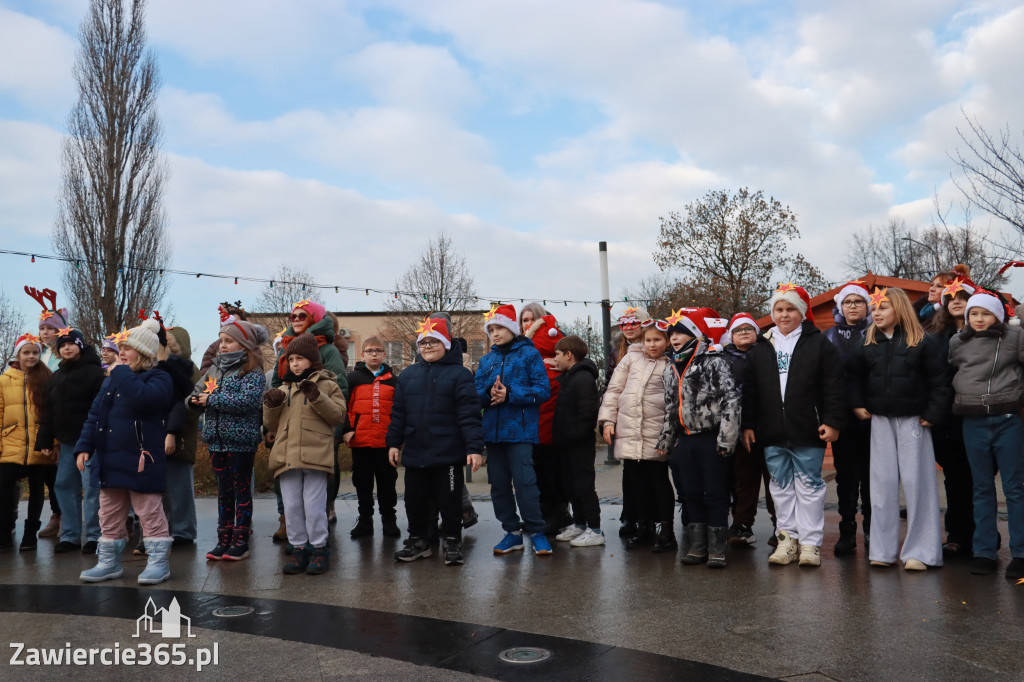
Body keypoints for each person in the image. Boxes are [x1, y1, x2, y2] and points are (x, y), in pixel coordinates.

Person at [741, 283, 845, 568]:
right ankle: (787, 541)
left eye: (790, 309)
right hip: (771, 431)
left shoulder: (819, 343)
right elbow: (750, 391)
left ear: (801, 313)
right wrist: (748, 424)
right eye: (779, 309)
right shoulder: (762, 346)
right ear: (772, 313)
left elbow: (833, 386)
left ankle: (810, 544)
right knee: (780, 487)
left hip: (807, 429)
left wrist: (832, 421)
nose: (784, 315)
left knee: (810, 487)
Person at [850, 287, 949, 571]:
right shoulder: (865, 342)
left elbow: (940, 382)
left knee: (919, 485)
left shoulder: (923, 343)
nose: (876, 313)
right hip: (880, 421)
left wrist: (932, 414)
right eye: (874, 308)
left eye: (883, 308)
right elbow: (853, 378)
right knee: (881, 487)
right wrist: (857, 404)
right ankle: (882, 550)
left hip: (914, 421)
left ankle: (921, 552)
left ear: (899, 309)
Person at [76, 318, 176, 584]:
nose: (121, 352)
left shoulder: (159, 377)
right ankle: (108, 562)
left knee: (149, 511)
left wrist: (121, 373)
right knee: (108, 512)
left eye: (128, 348)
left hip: (142, 460)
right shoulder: (110, 382)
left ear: (143, 353)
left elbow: (145, 399)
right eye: (120, 346)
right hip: (109, 459)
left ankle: (158, 562)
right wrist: (84, 446)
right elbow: (95, 415)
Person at [387, 316, 483, 566]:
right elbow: (398, 414)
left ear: (446, 344)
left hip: (448, 453)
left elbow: (469, 414)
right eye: (424, 342)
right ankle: (418, 541)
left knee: (449, 501)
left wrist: (474, 448)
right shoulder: (408, 375)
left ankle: (452, 540)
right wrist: (394, 443)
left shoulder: (460, 375)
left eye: (434, 341)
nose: (428, 347)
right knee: (414, 500)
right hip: (417, 451)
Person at [948, 290, 1024, 579]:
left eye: (986, 313)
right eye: (974, 314)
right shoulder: (957, 342)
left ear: (998, 315)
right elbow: (956, 371)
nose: (979, 319)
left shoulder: (1015, 338)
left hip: (1007, 419)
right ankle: (984, 551)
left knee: (1015, 488)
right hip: (973, 421)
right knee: (981, 488)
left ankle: (1021, 552)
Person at [657, 310, 741, 567]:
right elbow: (671, 407)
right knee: (691, 493)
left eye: (680, 332)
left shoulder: (713, 361)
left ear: (694, 334)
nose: (674, 338)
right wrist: (667, 441)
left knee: (715, 492)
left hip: (711, 437)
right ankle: (698, 546)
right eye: (671, 334)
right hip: (686, 440)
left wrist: (727, 439)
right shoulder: (671, 367)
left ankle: (717, 548)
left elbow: (731, 400)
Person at [264, 333, 348, 575]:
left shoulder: (328, 385)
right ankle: (299, 548)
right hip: (287, 455)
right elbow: (271, 424)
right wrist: (272, 404)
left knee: (313, 505)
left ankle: (319, 548)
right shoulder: (284, 388)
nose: (295, 364)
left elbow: (337, 416)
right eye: (291, 359)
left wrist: (316, 396)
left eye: (300, 358)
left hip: (316, 456)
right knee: (291, 506)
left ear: (312, 360)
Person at [476, 304, 553, 556]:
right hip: (493, 435)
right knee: (498, 486)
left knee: (525, 484)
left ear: (511, 327)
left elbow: (542, 391)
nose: (495, 333)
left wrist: (510, 394)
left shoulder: (529, 355)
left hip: (520, 432)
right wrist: (489, 395)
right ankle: (512, 532)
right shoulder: (486, 360)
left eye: (499, 328)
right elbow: (475, 396)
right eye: (491, 329)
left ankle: (537, 532)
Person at [189, 319, 268, 562]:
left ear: (244, 345)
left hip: (241, 442)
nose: (222, 345)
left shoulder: (252, 372)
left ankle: (241, 539)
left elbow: (247, 402)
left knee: (241, 490)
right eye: (221, 340)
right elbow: (196, 392)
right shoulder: (214, 370)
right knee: (224, 492)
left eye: (228, 341)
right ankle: (223, 538)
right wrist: (192, 401)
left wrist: (210, 400)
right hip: (216, 441)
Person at [599, 319, 674, 551]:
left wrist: (668, 435)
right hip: (629, 431)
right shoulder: (631, 359)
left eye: (657, 340)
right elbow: (614, 390)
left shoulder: (670, 364)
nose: (652, 344)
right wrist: (608, 421)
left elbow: (673, 399)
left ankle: (666, 530)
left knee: (659, 481)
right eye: (648, 340)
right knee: (636, 483)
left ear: (667, 341)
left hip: (655, 432)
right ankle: (643, 527)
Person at [36, 327, 106, 554]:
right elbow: (49, 411)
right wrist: (45, 439)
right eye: (62, 345)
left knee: (92, 488)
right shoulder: (56, 376)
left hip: (91, 442)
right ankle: (70, 536)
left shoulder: (95, 373)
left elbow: (102, 409)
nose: (66, 347)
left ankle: (95, 536)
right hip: (67, 442)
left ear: (80, 345)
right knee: (63, 485)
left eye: (71, 343)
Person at [927, 267, 976, 556]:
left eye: (963, 296)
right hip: (948, 419)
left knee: (978, 480)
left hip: (979, 414)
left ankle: (983, 537)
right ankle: (956, 535)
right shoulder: (935, 335)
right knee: (955, 479)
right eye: (951, 297)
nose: (956, 301)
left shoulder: (986, 331)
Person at [823, 280, 873, 555]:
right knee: (846, 477)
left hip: (873, 416)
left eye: (858, 301)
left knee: (871, 477)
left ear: (867, 306)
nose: (853, 306)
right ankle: (847, 528)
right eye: (848, 302)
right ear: (840, 307)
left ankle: (872, 530)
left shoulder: (878, 331)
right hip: (843, 417)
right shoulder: (829, 336)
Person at [720, 312, 776, 547]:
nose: (743, 332)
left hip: (770, 424)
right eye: (738, 330)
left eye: (748, 328)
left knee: (775, 478)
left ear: (757, 332)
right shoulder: (722, 359)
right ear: (730, 336)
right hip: (737, 427)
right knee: (743, 478)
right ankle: (742, 524)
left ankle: (781, 524)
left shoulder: (769, 353)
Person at [520, 303, 572, 535]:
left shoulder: (553, 349)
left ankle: (558, 515)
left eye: (531, 319)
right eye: (523, 320)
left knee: (550, 472)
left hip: (549, 424)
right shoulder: (524, 352)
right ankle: (541, 515)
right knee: (535, 473)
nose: (527, 324)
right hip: (529, 423)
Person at [0, 334, 53, 551]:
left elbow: (53, 413)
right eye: (26, 352)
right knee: (3, 490)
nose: (31, 356)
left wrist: (53, 442)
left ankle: (30, 534)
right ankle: (3, 533)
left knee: (37, 490)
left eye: (35, 352)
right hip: (10, 443)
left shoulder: (47, 379)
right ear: (18, 354)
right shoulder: (4, 380)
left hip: (39, 443)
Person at [343, 336, 400, 539]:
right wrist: (347, 429)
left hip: (385, 443)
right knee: (363, 483)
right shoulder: (353, 378)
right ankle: (365, 520)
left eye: (377, 351)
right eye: (370, 351)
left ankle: (389, 520)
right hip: (361, 442)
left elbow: (399, 411)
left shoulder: (394, 380)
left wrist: (397, 438)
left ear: (384, 354)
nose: (374, 354)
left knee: (387, 483)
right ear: (362, 354)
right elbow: (344, 407)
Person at [551, 334, 604, 547]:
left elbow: (587, 414)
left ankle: (595, 529)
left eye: (558, 355)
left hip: (578, 444)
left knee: (584, 486)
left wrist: (571, 436)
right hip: (567, 443)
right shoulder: (570, 376)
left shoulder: (582, 378)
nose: (555, 359)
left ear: (569, 355)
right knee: (571, 486)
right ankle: (580, 524)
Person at [609, 306, 651, 538]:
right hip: (626, 416)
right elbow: (611, 385)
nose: (628, 328)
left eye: (633, 323)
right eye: (624, 323)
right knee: (630, 471)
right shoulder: (617, 352)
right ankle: (631, 515)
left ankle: (653, 518)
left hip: (649, 416)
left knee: (653, 471)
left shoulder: (653, 347)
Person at [161, 326, 200, 547]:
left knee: (180, 485)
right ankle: (169, 528)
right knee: (165, 488)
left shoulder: (189, 369)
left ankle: (184, 531)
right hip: (163, 431)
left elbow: (192, 404)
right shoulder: (162, 367)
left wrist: (174, 429)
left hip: (182, 434)